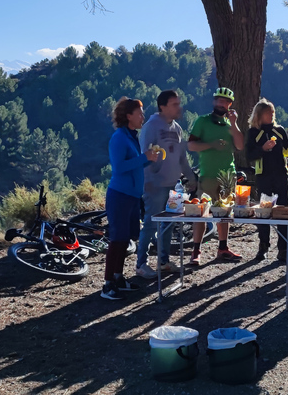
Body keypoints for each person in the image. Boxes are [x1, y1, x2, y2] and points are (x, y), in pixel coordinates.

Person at [135, 90, 198, 279]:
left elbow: (181, 158)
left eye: (179, 103)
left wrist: (191, 177)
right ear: (162, 106)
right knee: (150, 224)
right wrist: (150, 178)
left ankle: (163, 262)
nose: (179, 107)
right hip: (154, 185)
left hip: (174, 185)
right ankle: (141, 264)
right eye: (174, 104)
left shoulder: (177, 128)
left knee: (169, 224)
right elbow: (144, 155)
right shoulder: (151, 126)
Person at [102, 97, 161, 300]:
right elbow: (119, 168)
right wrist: (144, 157)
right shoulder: (119, 138)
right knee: (117, 239)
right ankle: (108, 284)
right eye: (140, 113)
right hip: (119, 195)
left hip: (132, 196)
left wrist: (148, 159)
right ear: (129, 116)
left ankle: (119, 278)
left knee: (125, 238)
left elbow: (133, 164)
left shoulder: (131, 136)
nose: (142, 117)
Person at [187, 87, 244, 265]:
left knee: (224, 212)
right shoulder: (202, 121)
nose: (221, 104)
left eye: (225, 101)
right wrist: (211, 144)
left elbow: (240, 145)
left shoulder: (229, 124)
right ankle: (196, 251)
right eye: (219, 100)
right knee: (201, 213)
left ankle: (223, 248)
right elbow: (191, 146)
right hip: (207, 174)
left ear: (230, 104)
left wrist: (234, 123)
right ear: (214, 101)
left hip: (227, 174)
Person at [245, 98, 288, 264]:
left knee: (282, 212)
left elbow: (286, 153)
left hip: (281, 175)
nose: (272, 114)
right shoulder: (254, 132)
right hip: (263, 176)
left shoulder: (279, 129)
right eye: (269, 112)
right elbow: (248, 156)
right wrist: (263, 148)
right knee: (264, 212)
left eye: (273, 112)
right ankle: (263, 247)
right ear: (260, 115)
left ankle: (284, 250)